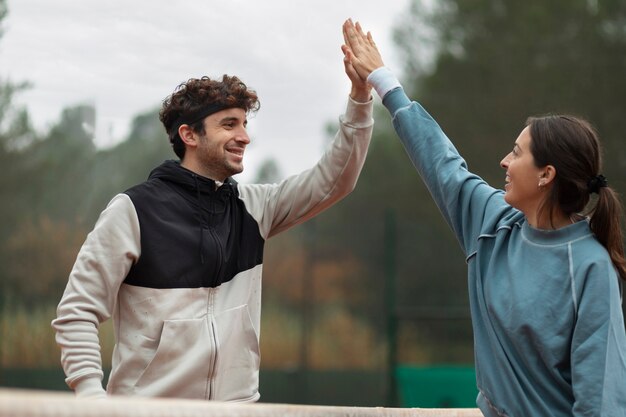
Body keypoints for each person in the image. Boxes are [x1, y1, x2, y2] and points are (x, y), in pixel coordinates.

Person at [342, 19, 626, 417]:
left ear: (547, 175)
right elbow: (442, 163)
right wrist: (384, 82)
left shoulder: (592, 268)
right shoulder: (492, 222)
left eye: (517, 152)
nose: (504, 161)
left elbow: (601, 402)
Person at [51, 54, 374, 400]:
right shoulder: (132, 211)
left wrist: (360, 96)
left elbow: (335, 179)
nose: (244, 136)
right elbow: (78, 310)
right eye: (229, 124)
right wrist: (90, 397)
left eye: (245, 124)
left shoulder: (255, 207)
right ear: (189, 134)